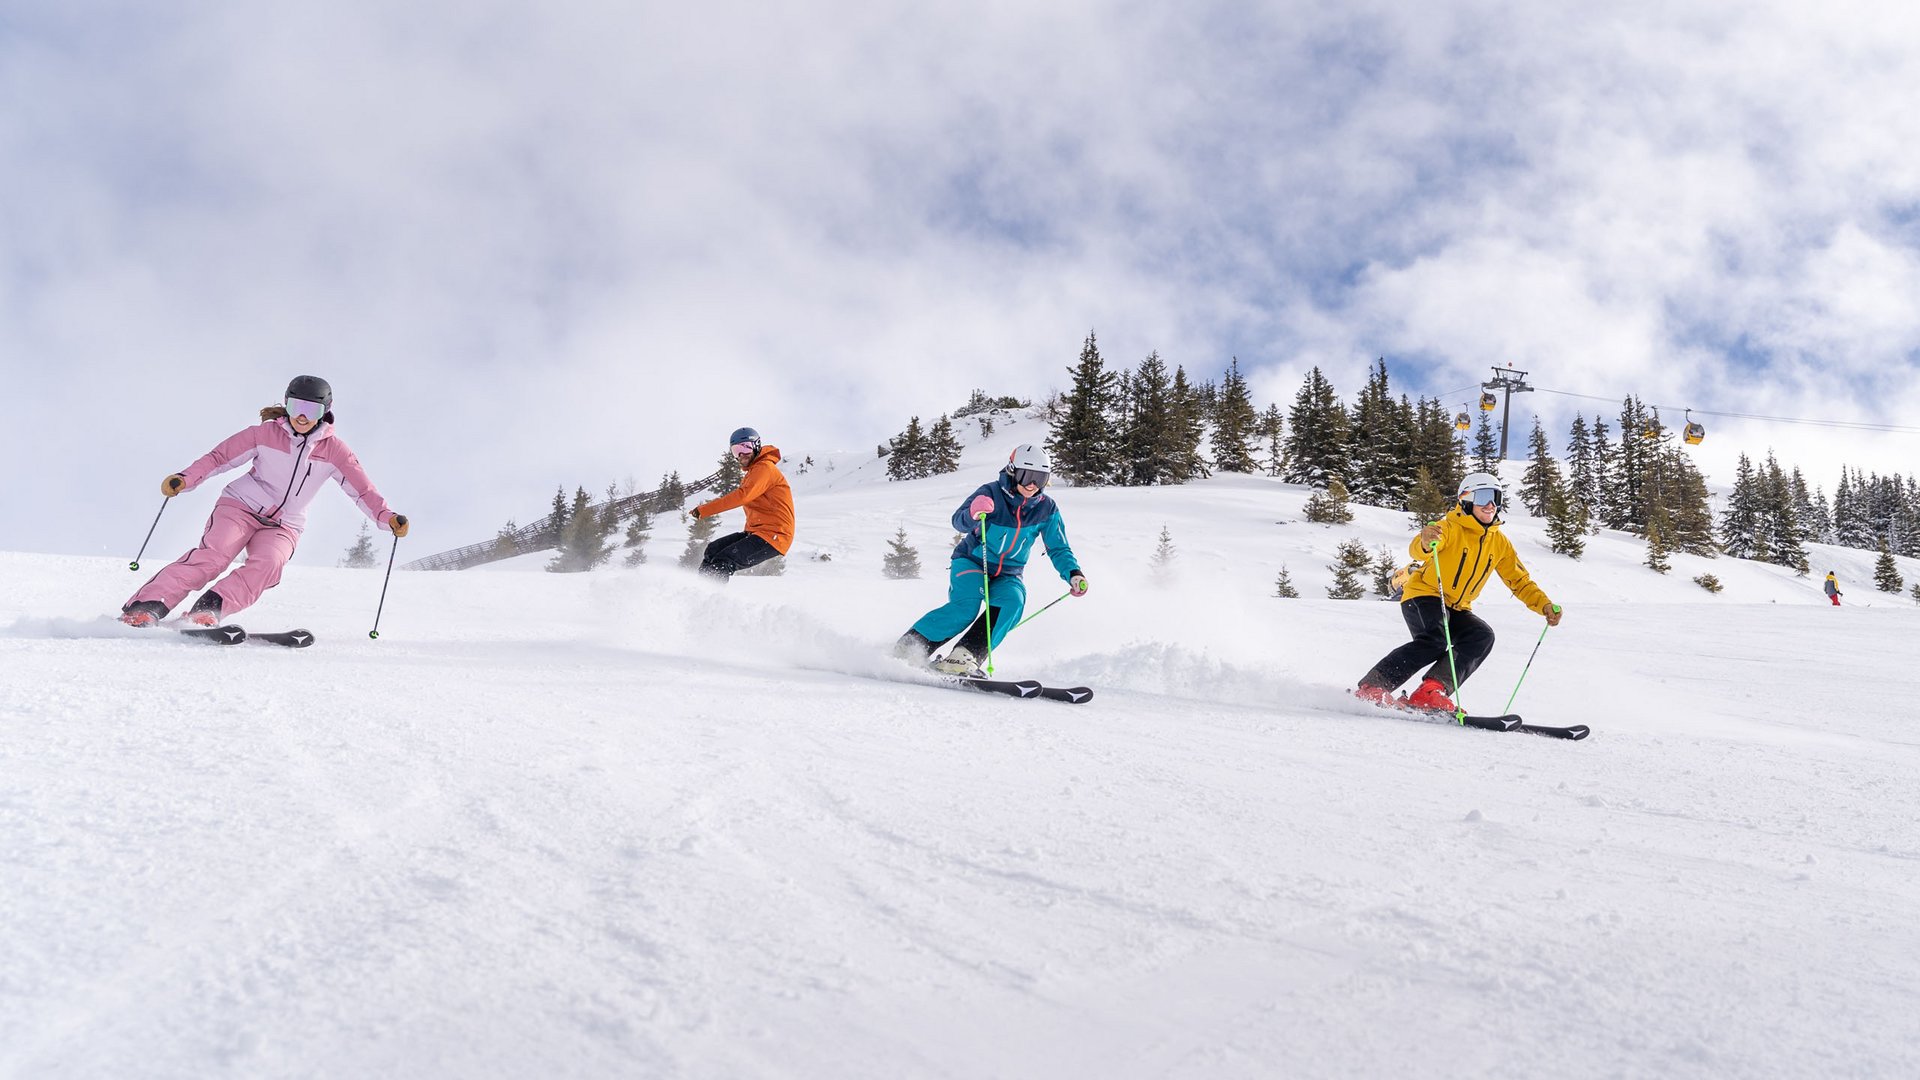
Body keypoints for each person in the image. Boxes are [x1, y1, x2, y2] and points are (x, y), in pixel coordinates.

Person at [121, 376, 407, 627]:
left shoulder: (336, 452)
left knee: (269, 564)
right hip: (240, 507)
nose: (302, 416)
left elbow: (363, 491)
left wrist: (387, 518)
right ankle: (146, 607)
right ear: (286, 405)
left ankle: (208, 611)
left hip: (284, 526)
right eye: (296, 407)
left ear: (325, 412)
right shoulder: (263, 434)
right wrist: (186, 479)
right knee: (214, 556)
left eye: (311, 410)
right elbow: (219, 458)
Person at [1353, 472, 1561, 713]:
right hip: (1424, 595)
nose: (1491, 505)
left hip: (1458, 607)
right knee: (1435, 640)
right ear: (1466, 499)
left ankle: (1431, 691)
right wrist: (1424, 540)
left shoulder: (1500, 543)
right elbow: (1419, 550)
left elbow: (1519, 580)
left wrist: (1543, 604)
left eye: (1496, 497)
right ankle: (1373, 686)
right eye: (1483, 497)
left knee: (1481, 636)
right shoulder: (1449, 527)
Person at [895, 444, 1088, 676]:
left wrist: (1073, 573)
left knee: (1013, 602)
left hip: (1009, 573)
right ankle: (909, 648)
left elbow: (1058, 546)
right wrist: (974, 513)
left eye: (1040, 478)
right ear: (1012, 471)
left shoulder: (1047, 509)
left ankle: (964, 657)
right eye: (1027, 476)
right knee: (967, 607)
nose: (1032, 485)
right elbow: (959, 522)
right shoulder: (991, 493)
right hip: (972, 561)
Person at [689, 427, 794, 579]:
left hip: (775, 535)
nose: (741, 454)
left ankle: (709, 596)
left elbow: (742, 496)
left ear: (757, 446)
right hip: (757, 533)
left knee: (724, 560)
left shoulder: (765, 468)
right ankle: (698, 590)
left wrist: (704, 510)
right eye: (736, 450)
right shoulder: (753, 472)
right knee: (713, 550)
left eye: (746, 447)